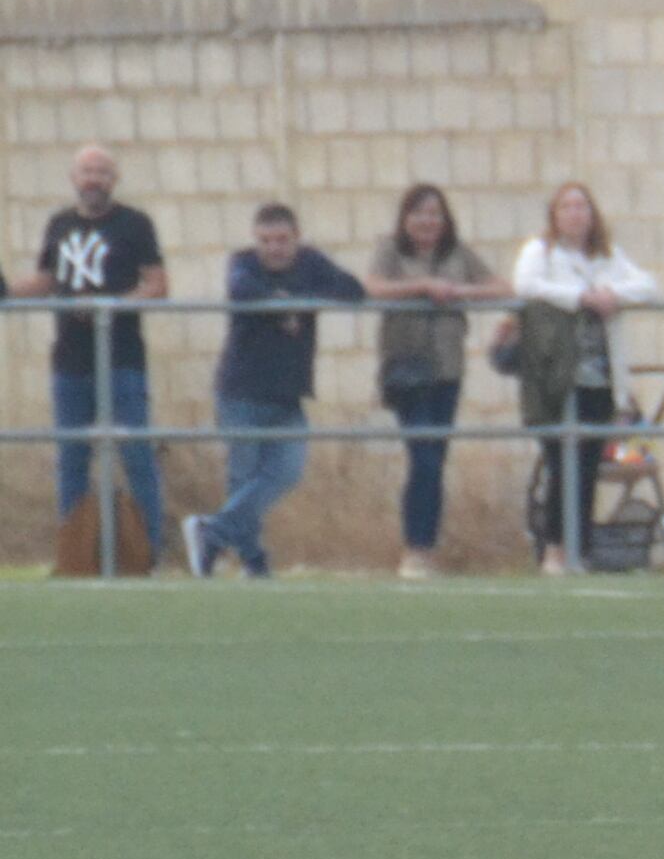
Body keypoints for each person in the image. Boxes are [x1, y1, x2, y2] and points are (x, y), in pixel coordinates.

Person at [182, 205, 364, 580]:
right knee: (243, 480)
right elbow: (243, 290)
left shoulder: (310, 263)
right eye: (266, 240)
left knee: (285, 474)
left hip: (288, 396)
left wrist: (300, 295)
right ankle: (254, 562)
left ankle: (210, 532)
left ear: (297, 237)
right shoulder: (244, 264)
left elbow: (354, 291)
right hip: (243, 392)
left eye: (283, 240)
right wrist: (282, 304)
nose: (275, 249)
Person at [18, 146, 171, 573]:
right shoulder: (60, 225)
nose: (94, 179)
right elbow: (47, 280)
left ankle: (148, 556)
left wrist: (111, 305)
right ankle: (74, 558)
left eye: (103, 171)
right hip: (71, 362)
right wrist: (11, 291)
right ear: (73, 177)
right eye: (87, 171)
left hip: (122, 358)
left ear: (115, 179)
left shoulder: (134, 224)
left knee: (136, 455)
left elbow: (157, 285)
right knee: (72, 459)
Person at [511, 182, 655, 573]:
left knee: (589, 465)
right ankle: (555, 548)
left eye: (582, 206)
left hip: (599, 378)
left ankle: (581, 548)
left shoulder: (608, 257)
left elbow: (647, 285)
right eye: (567, 206)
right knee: (561, 463)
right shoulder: (540, 252)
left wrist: (612, 294)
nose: (576, 214)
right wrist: (579, 298)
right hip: (556, 377)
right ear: (555, 215)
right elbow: (525, 285)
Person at [366, 183, 505, 580]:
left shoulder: (458, 254)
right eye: (420, 213)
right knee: (423, 456)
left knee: (434, 460)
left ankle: (426, 548)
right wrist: (422, 287)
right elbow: (373, 286)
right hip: (406, 368)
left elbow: (501, 286)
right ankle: (415, 549)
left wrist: (459, 291)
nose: (428, 221)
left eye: (435, 214)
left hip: (447, 369)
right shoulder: (391, 250)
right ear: (405, 218)